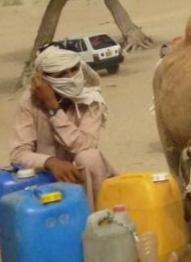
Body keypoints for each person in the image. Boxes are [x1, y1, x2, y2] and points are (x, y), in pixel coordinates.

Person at [10, 45, 117, 209]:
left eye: (74, 69)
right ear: (43, 80)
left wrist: (53, 108)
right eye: (61, 74)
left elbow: (86, 144)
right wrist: (50, 163)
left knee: (90, 157)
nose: (71, 77)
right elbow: (19, 154)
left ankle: (96, 216)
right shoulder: (29, 102)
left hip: (82, 175)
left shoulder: (91, 100)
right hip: (43, 176)